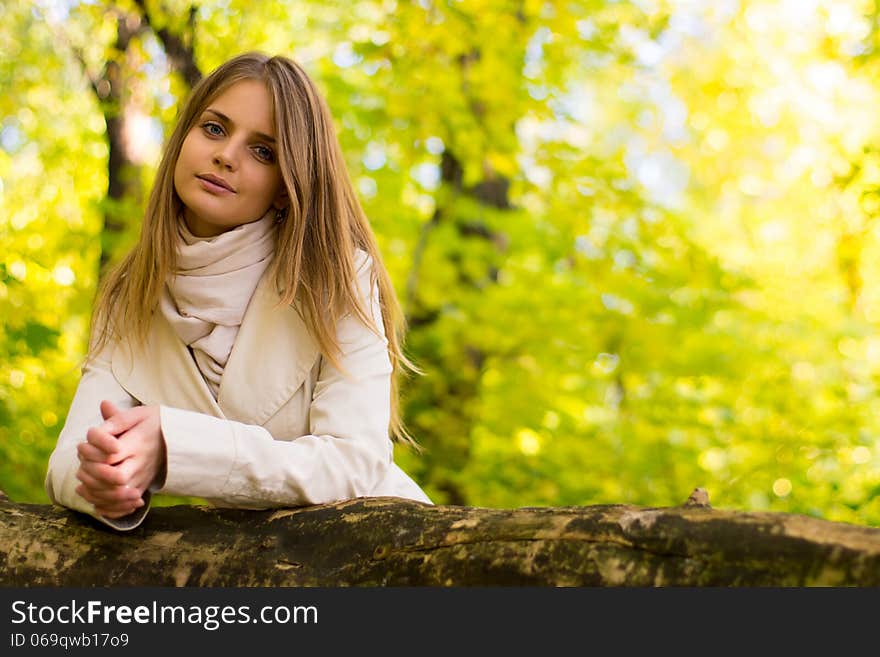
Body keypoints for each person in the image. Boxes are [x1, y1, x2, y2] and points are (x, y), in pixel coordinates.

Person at [45, 52, 433, 531]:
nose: (226, 154)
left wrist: (176, 445)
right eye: (214, 128)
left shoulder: (337, 279)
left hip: (388, 553)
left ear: (285, 187)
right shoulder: (132, 293)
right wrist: (104, 479)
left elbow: (356, 464)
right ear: (183, 136)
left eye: (263, 151)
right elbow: (68, 459)